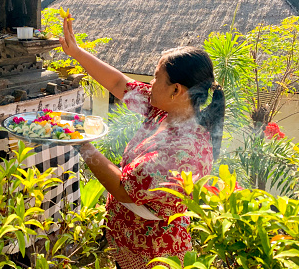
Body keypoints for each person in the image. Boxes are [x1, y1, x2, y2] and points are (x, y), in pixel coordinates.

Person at [59, 14, 225, 269]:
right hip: (127, 240)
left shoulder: (184, 149)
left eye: (157, 77)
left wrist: (83, 142)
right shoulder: (165, 109)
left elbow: (123, 189)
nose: (151, 82)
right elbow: (118, 83)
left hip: (152, 255)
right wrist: (76, 52)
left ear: (176, 90)